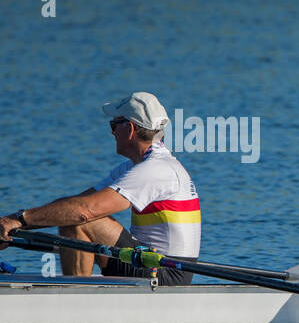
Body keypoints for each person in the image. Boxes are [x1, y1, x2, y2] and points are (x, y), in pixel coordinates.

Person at [0, 92, 201, 285]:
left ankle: (75, 299)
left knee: (78, 221)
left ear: (130, 129)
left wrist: (18, 220)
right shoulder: (136, 167)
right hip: (144, 260)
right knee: (68, 211)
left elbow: (83, 212)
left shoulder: (156, 169)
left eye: (114, 125)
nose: (112, 133)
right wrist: (12, 225)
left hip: (167, 271)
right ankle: (76, 289)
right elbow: (73, 203)